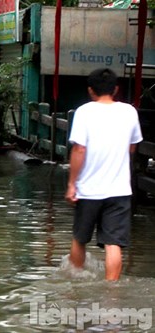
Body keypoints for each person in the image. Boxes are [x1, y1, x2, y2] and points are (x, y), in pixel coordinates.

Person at [65, 68, 143, 281]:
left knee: (79, 239)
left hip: (89, 190)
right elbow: (132, 147)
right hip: (119, 190)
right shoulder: (129, 112)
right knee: (113, 243)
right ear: (116, 89)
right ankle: (112, 293)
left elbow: (79, 149)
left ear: (90, 90)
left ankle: (74, 286)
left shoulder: (84, 112)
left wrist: (72, 184)